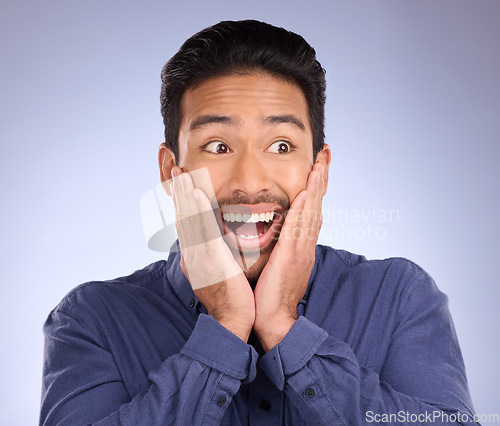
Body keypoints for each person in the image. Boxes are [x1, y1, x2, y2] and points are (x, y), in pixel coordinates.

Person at [40, 20, 478, 425]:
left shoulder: (398, 295)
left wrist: (285, 329)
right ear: (170, 171)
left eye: (282, 145)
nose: (250, 183)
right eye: (217, 146)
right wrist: (227, 325)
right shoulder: (90, 320)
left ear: (319, 168)